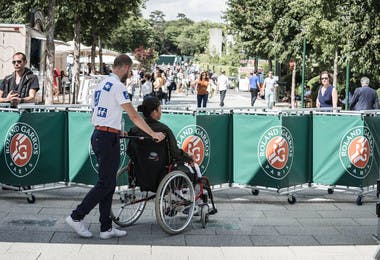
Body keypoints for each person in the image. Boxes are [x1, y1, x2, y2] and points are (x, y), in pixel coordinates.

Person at [65, 54, 165, 239]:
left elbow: (104, 111)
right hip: (106, 137)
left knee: (108, 183)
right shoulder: (118, 86)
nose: (131, 73)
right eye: (131, 69)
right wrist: (153, 133)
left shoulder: (102, 83)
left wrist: (118, 130)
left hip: (102, 134)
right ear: (125, 67)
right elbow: (134, 115)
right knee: (105, 183)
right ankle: (76, 216)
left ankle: (105, 227)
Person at [130, 97, 202, 178]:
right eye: (160, 108)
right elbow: (175, 153)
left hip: (141, 172)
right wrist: (188, 156)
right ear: (154, 112)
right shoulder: (163, 129)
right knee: (193, 165)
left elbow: (129, 151)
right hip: (161, 172)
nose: (161, 111)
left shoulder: (134, 130)